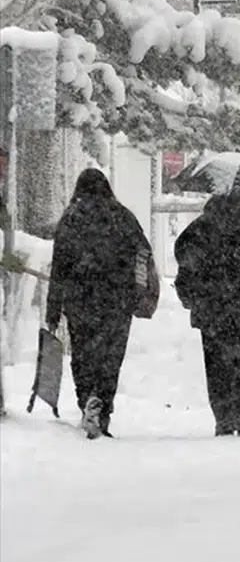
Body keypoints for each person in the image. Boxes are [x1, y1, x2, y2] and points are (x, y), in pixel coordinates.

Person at [44, 168, 152, 439]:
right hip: (117, 299)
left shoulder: (71, 218)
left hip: (79, 299)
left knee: (83, 354)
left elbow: (59, 267)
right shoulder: (123, 216)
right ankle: (102, 406)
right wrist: (137, 288)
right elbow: (143, 250)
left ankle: (87, 401)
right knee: (110, 357)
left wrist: (53, 309)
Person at [175, 189, 240, 436]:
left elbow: (183, 254)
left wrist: (201, 276)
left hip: (211, 304)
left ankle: (224, 417)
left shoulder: (203, 225)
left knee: (215, 364)